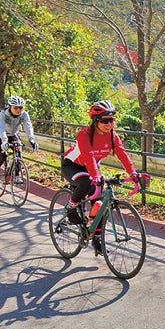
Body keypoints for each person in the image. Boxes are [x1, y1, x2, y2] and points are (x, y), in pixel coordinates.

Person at [61, 100, 139, 255]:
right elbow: (89, 156)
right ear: (96, 121)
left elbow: (122, 154)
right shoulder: (85, 134)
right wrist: (96, 176)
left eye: (112, 120)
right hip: (73, 166)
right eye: (105, 120)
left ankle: (96, 238)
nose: (109, 124)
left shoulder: (112, 136)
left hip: (92, 168)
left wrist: (133, 173)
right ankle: (70, 207)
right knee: (87, 183)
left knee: (101, 204)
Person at [0, 95, 38, 183]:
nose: (18, 110)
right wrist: (4, 141)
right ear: (10, 107)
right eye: (15, 107)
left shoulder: (24, 114)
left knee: (18, 151)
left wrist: (32, 140)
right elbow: (1, 128)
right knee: (2, 154)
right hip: (0, 135)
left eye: (20, 107)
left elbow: (28, 126)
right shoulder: (3, 113)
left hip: (13, 134)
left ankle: (17, 175)